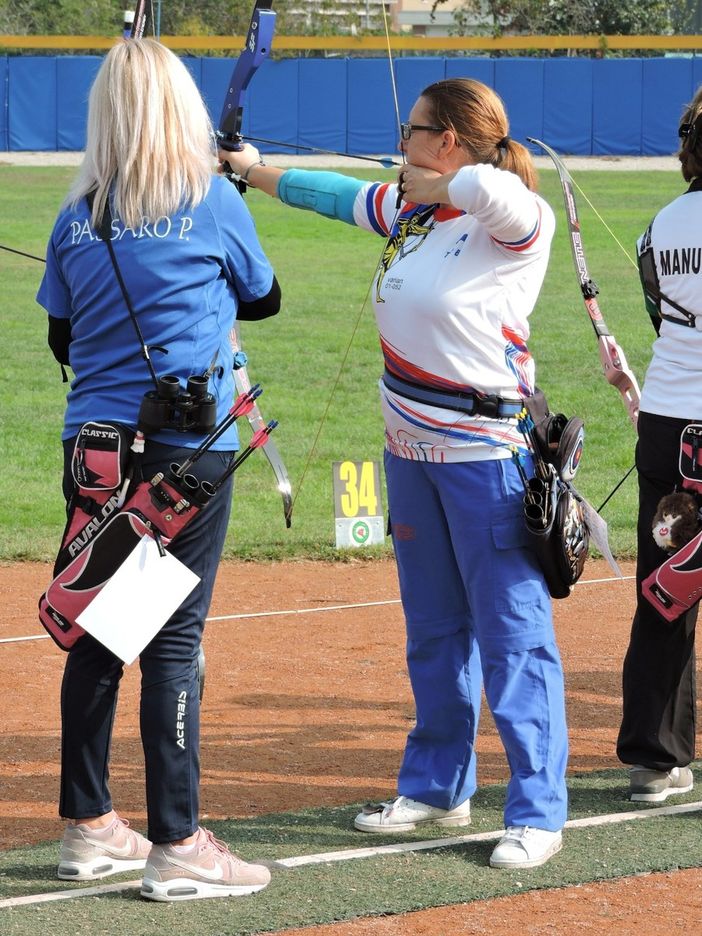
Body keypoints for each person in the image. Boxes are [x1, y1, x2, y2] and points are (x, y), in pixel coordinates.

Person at [220, 78, 568, 870]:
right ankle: (439, 786)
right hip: (409, 454)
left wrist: (440, 183)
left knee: (512, 636)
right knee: (434, 629)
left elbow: (492, 190)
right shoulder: (411, 215)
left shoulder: (512, 219)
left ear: (447, 142)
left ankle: (538, 810)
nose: (399, 143)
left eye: (412, 131)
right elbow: (331, 194)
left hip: (485, 458)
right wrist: (250, 168)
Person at [37, 38, 280, 902]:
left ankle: (89, 824)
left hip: (95, 448)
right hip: (184, 453)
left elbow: (62, 337)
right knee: (174, 638)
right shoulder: (208, 198)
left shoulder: (77, 215)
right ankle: (177, 840)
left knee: (101, 628)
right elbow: (265, 296)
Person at [616, 88, 702, 803]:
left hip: (670, 425)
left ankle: (654, 757)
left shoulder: (660, 226)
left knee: (667, 588)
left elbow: (659, 316)